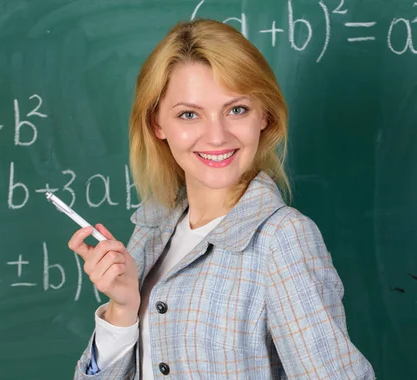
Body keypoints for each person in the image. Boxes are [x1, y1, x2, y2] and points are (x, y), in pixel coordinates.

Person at [69, 19, 375, 379]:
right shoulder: (150, 233)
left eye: (236, 109)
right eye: (189, 114)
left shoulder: (283, 239)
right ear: (158, 125)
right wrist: (123, 310)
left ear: (264, 115)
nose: (216, 136)